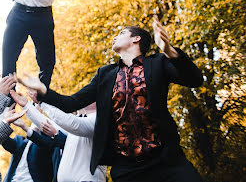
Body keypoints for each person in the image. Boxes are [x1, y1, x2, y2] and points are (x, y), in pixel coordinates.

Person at [19, 16, 204, 182]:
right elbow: (71, 103)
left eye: (122, 33)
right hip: (127, 169)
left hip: (166, 160)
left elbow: (194, 80)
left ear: (136, 39)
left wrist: (170, 51)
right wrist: (43, 90)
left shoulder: (158, 63)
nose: (115, 37)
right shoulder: (105, 75)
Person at [13, 91, 106, 182]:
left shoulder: (98, 120)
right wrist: (26, 105)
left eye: (91, 95)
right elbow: (44, 123)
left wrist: (42, 102)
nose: (85, 98)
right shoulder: (79, 120)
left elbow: (70, 122)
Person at [2, 118, 66, 182]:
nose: (36, 124)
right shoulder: (19, 141)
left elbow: (41, 141)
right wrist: (6, 121)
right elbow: (3, 140)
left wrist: (24, 126)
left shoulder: (48, 144)